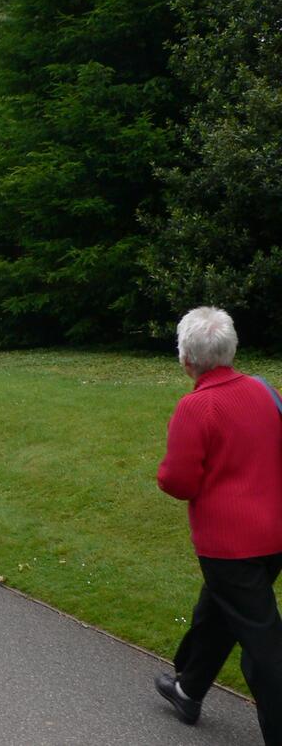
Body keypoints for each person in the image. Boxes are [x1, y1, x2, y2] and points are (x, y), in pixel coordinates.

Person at [155, 306, 282, 741]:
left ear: (186, 359)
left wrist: (165, 472)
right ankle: (188, 688)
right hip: (273, 535)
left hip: (230, 546)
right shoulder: (265, 390)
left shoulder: (197, 406)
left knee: (263, 648)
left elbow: (179, 482)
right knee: (216, 613)